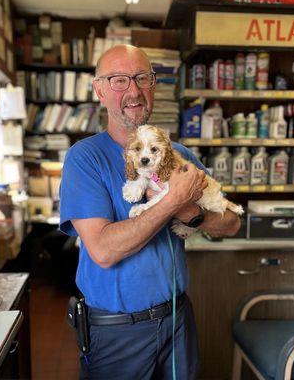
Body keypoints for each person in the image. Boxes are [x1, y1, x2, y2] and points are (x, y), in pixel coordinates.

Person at [59, 45, 240, 380]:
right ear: (99, 90)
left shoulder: (180, 155)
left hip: (177, 321)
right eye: (118, 80)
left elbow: (231, 223)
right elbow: (103, 250)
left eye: (143, 78)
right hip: (117, 332)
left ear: (154, 85)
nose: (134, 90)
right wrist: (171, 201)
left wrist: (192, 212)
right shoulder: (84, 159)